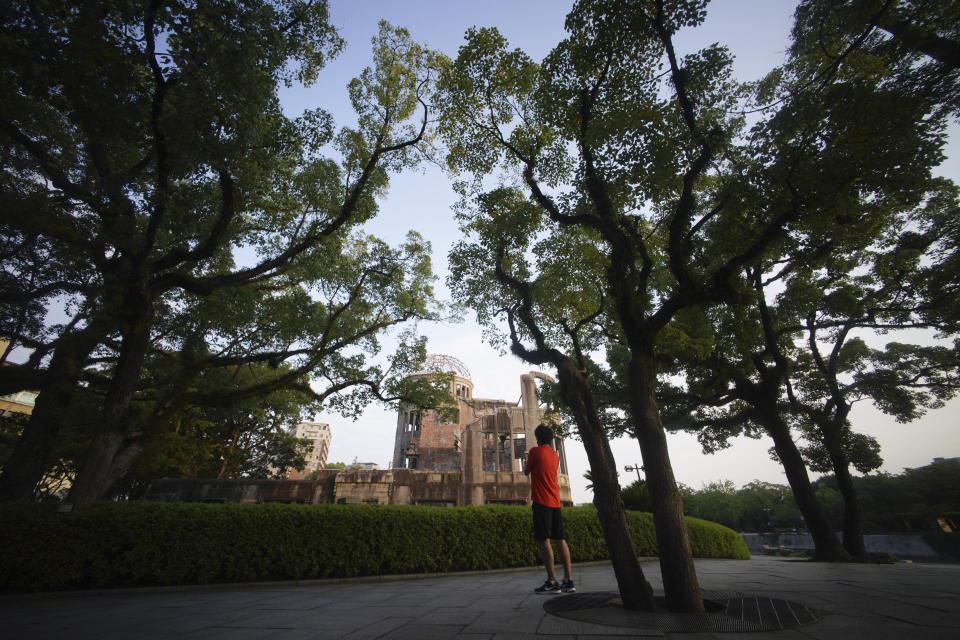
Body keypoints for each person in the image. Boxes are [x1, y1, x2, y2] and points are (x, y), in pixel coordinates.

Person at [523, 423, 575, 594]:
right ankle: (568, 581)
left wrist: (525, 462)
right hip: (555, 501)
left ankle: (552, 581)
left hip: (541, 501)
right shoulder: (555, 455)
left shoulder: (534, 452)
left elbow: (526, 471)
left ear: (537, 438)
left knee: (544, 540)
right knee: (560, 539)